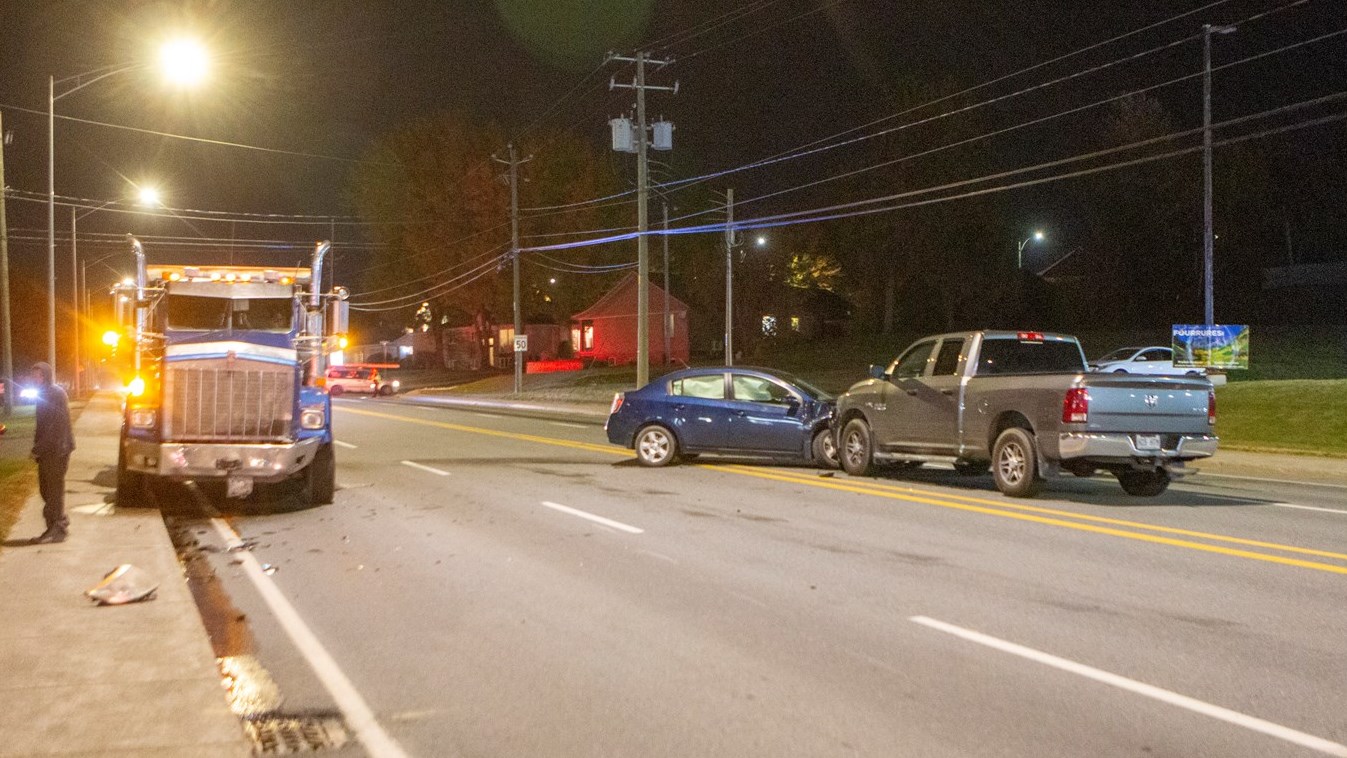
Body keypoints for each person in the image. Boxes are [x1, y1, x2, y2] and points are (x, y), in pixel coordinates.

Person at [29, 362, 74, 544]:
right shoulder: (43, 393)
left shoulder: (55, 393)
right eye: (34, 376)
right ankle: (59, 524)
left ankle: (55, 529)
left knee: (53, 491)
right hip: (48, 450)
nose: (36, 379)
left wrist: (38, 449)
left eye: (39, 376)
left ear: (46, 375)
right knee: (46, 489)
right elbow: (42, 426)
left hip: (58, 449)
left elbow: (55, 426)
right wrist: (38, 448)